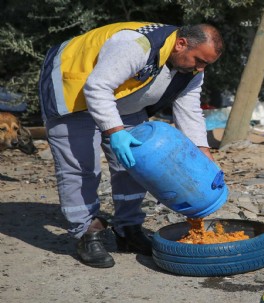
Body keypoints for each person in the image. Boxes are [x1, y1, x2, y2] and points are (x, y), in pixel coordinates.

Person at [38, 22, 223, 268]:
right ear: (181, 44)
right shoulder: (136, 45)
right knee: (81, 166)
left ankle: (128, 229)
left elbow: (189, 110)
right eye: (199, 60)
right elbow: (97, 86)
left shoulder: (192, 70)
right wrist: (114, 131)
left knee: (136, 163)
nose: (200, 68)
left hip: (122, 100)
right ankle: (85, 233)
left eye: (206, 65)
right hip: (73, 90)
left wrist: (203, 154)